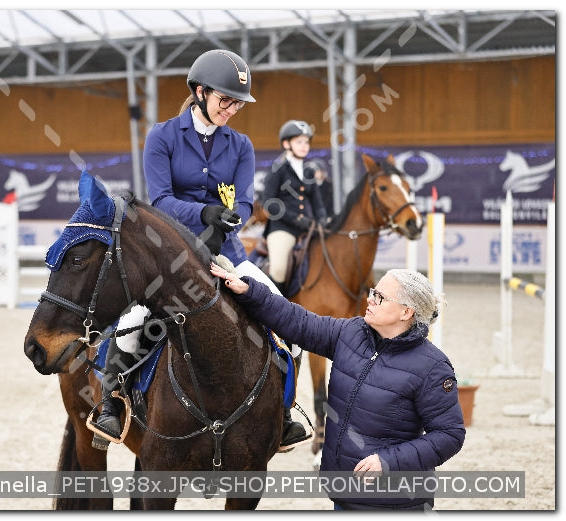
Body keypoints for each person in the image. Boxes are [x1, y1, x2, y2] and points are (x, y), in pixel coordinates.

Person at [91, 49, 307, 451]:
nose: (232, 109)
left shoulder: (240, 144)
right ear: (200, 91)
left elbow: (245, 202)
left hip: (227, 252)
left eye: (238, 103)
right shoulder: (163, 136)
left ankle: (285, 413)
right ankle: (111, 403)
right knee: (132, 322)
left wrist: (228, 221)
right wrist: (205, 213)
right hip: (168, 252)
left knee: (287, 322)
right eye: (226, 99)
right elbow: (159, 200)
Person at [210, 263, 466, 511]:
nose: (370, 300)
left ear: (406, 312)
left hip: (395, 503)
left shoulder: (433, 367)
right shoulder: (352, 332)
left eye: (380, 297)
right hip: (345, 493)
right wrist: (251, 292)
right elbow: (299, 322)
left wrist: (388, 462)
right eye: (373, 292)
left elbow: (449, 435)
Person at [262, 120, 328, 296]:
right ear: (286, 144)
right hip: (283, 229)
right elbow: (269, 203)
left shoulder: (309, 172)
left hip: (307, 229)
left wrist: (322, 220)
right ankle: (274, 305)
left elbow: (317, 203)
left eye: (306, 142)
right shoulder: (278, 169)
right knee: (278, 269)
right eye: (299, 142)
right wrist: (296, 219)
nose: (304, 146)